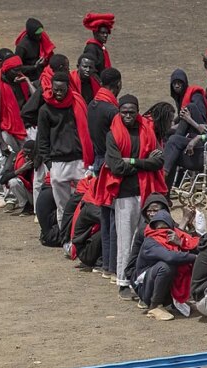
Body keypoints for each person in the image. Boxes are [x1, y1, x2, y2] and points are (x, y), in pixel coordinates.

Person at [95, 95, 167, 294]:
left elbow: (159, 162)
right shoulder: (113, 134)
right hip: (125, 195)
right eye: (124, 112)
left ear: (137, 111)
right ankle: (123, 282)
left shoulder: (147, 130)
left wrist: (133, 161)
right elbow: (116, 167)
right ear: (119, 112)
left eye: (131, 112)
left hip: (146, 194)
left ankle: (139, 280)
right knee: (125, 240)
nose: (128, 115)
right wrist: (145, 163)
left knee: (144, 238)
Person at [37, 71, 93, 224]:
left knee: (84, 203)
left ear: (68, 87)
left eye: (62, 90)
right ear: (51, 87)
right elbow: (42, 140)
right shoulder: (45, 110)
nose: (59, 93)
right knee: (62, 207)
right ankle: (65, 240)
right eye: (56, 90)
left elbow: (88, 130)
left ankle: (79, 238)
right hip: (58, 163)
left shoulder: (78, 103)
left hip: (80, 161)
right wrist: (50, 164)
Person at [133, 209, 199, 321]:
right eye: (158, 226)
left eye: (164, 227)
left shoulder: (175, 237)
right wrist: (196, 258)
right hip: (147, 288)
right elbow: (170, 257)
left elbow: (194, 243)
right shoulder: (150, 242)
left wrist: (181, 242)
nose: (161, 230)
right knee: (167, 266)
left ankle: (173, 301)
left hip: (166, 285)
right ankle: (155, 306)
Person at [87, 67, 122, 277]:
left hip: (98, 163)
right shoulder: (111, 110)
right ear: (117, 84)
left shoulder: (93, 104)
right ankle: (112, 266)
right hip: (110, 166)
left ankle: (108, 266)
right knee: (114, 220)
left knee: (106, 218)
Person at [0, 55, 33, 207]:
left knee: (24, 159)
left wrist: (26, 81)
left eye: (20, 69)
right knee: (4, 161)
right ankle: (4, 195)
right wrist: (0, 140)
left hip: (22, 128)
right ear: (6, 70)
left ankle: (22, 194)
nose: (18, 72)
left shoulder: (21, 83)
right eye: (15, 70)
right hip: (6, 130)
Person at [63, 176, 103, 257]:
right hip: (82, 251)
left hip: (76, 242)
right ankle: (100, 263)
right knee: (108, 229)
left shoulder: (87, 197)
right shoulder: (90, 205)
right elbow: (108, 220)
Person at [0, 139, 36, 215]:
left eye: (29, 154)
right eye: (24, 154)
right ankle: (27, 206)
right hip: (29, 194)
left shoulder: (41, 161)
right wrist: (21, 169)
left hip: (39, 194)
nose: (26, 157)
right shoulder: (19, 160)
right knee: (13, 181)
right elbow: (2, 180)